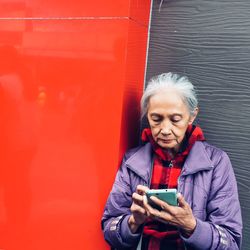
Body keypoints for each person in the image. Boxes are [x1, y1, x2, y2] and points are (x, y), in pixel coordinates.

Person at [101, 72, 242, 250]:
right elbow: (109, 229)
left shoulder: (216, 163)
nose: (165, 129)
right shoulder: (132, 162)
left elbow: (231, 242)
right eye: (156, 119)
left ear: (192, 116)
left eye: (175, 119)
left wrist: (191, 225)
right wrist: (132, 222)